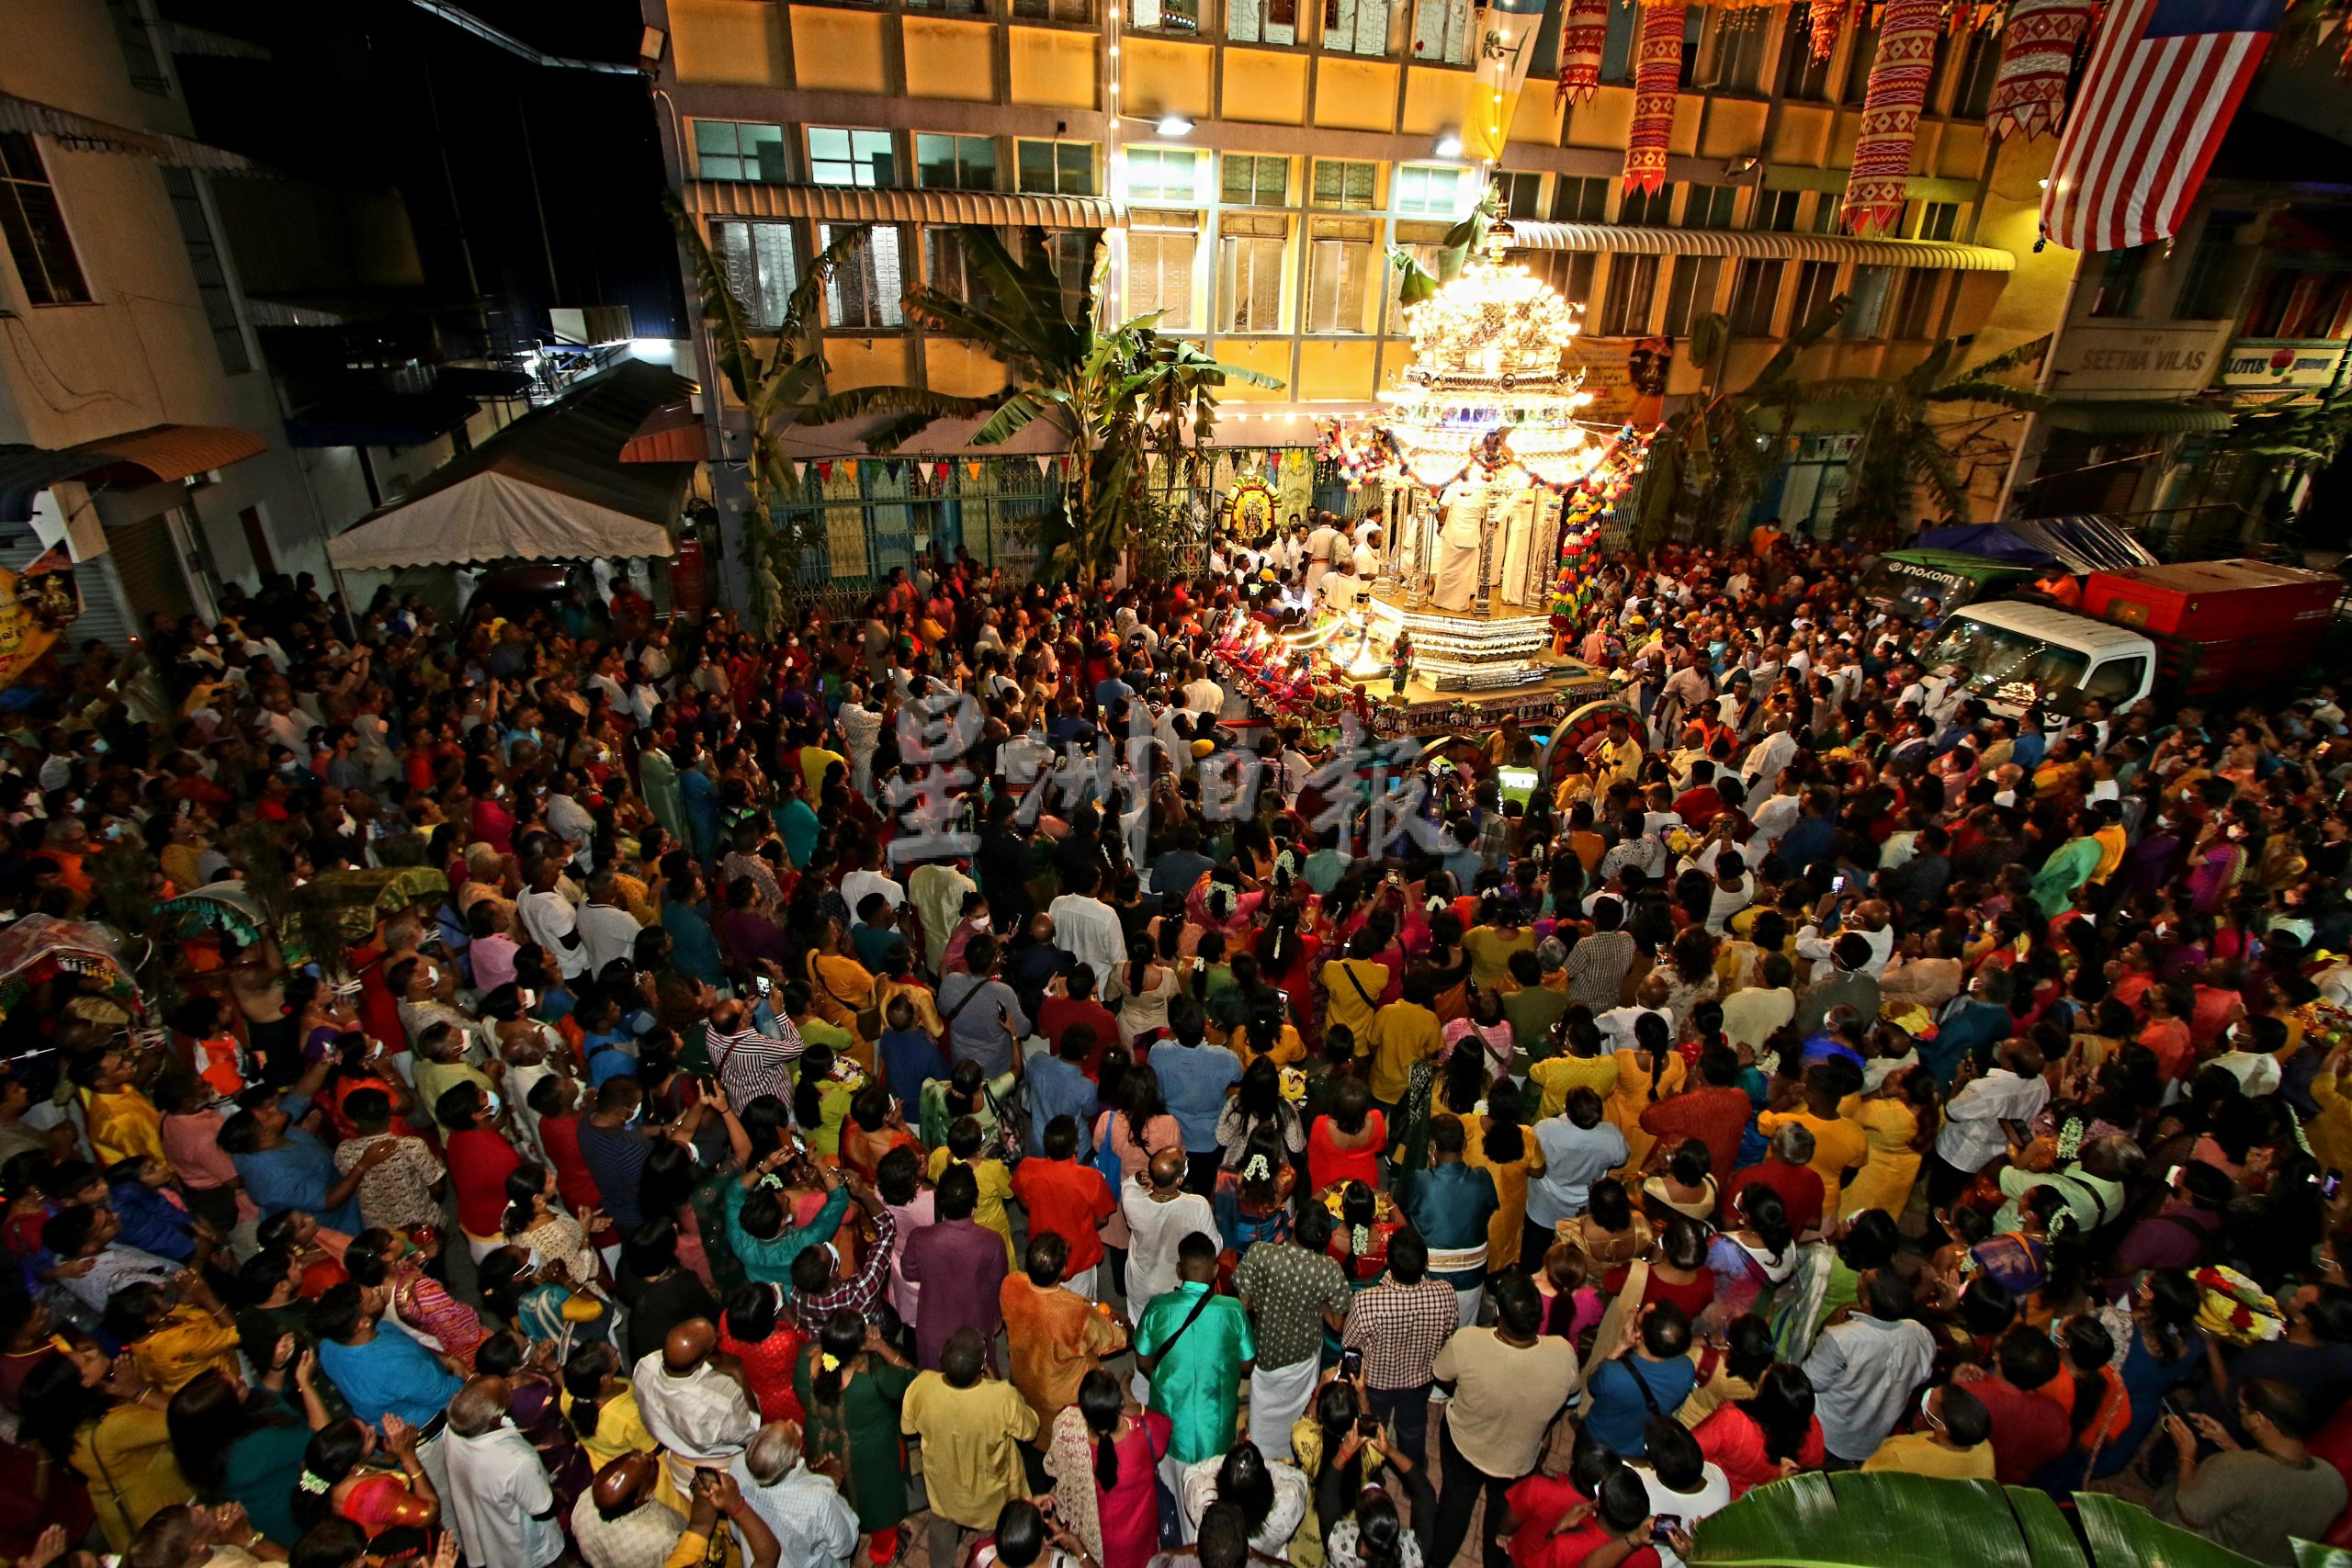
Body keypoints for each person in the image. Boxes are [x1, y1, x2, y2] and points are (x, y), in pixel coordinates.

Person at [1427, 1274, 1581, 1568]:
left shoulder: (1468, 1341)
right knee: (1500, 1513)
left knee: (1455, 1505)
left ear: (1498, 1311)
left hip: (1464, 1446)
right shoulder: (1563, 1353)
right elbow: (1571, 1391)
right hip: (1518, 1459)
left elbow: (1442, 1374)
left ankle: (1437, 1561)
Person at [1338, 1230, 1453, 1541]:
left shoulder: (1366, 1301)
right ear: (1425, 1264)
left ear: (1388, 1261)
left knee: (1370, 1428)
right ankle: (1410, 1476)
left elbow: (1350, 1346)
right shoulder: (1444, 1294)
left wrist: (1353, 1384)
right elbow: (1449, 1331)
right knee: (1413, 1430)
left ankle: (1372, 1475)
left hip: (1374, 1385)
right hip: (1419, 1381)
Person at [901, 1326, 1041, 1568]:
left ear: (940, 1359)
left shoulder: (921, 1386)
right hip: (991, 1498)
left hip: (944, 1491)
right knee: (991, 1539)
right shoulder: (1001, 1397)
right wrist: (996, 1384)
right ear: (982, 1367)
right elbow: (1029, 1430)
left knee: (941, 1527)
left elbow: (908, 1429)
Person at [1135, 1231, 1255, 1497]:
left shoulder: (1157, 1308)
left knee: (1174, 1492)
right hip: (1218, 1429)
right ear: (1215, 1270)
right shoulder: (1233, 1311)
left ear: (1179, 1269)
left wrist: (1165, 1377)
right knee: (1213, 1494)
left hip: (1170, 1428)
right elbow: (1247, 1366)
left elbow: (1142, 1359)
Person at [1234, 1203, 1351, 1465]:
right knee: (1301, 1413)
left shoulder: (1261, 1254)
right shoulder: (1329, 1269)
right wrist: (1315, 1302)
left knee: (1261, 1411)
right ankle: (1295, 1453)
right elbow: (1337, 1324)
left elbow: (1243, 1305)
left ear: (1292, 1224)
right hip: (1304, 1355)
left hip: (1266, 1351)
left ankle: (1260, 1452)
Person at [1801, 1269, 1934, 1464]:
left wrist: (1824, 1329)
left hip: (1829, 1436)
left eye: (1865, 1278)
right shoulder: (1920, 1334)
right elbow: (1922, 1375)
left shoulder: (1842, 1338)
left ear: (1867, 1303)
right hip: (1873, 1440)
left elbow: (1810, 1381)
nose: (1862, 1272)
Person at [1002, 1233, 1128, 1430]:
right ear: (1062, 1270)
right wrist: (1122, 1323)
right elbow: (1112, 1340)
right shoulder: (1076, 1311)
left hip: (1024, 1379)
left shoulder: (1010, 1285)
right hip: (1062, 1394)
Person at [445, 1373, 567, 1568]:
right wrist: (559, 1498)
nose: (511, 1384)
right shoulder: (514, 1462)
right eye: (506, 1388)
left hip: (489, 1541)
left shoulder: (455, 1430)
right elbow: (543, 1510)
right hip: (530, 1552)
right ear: (495, 1418)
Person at [730, 1417, 859, 1568]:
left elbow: (736, 1530)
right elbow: (845, 1544)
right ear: (792, 1463)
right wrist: (824, 1487)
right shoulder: (819, 1500)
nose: (791, 1422)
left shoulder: (737, 1468)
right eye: (791, 1431)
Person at [1861, 1382, 1995, 1479]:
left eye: (1931, 1401)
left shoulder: (1899, 1455)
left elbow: (1866, 1478)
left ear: (1943, 1427)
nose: (1928, 1394)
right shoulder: (1984, 1449)